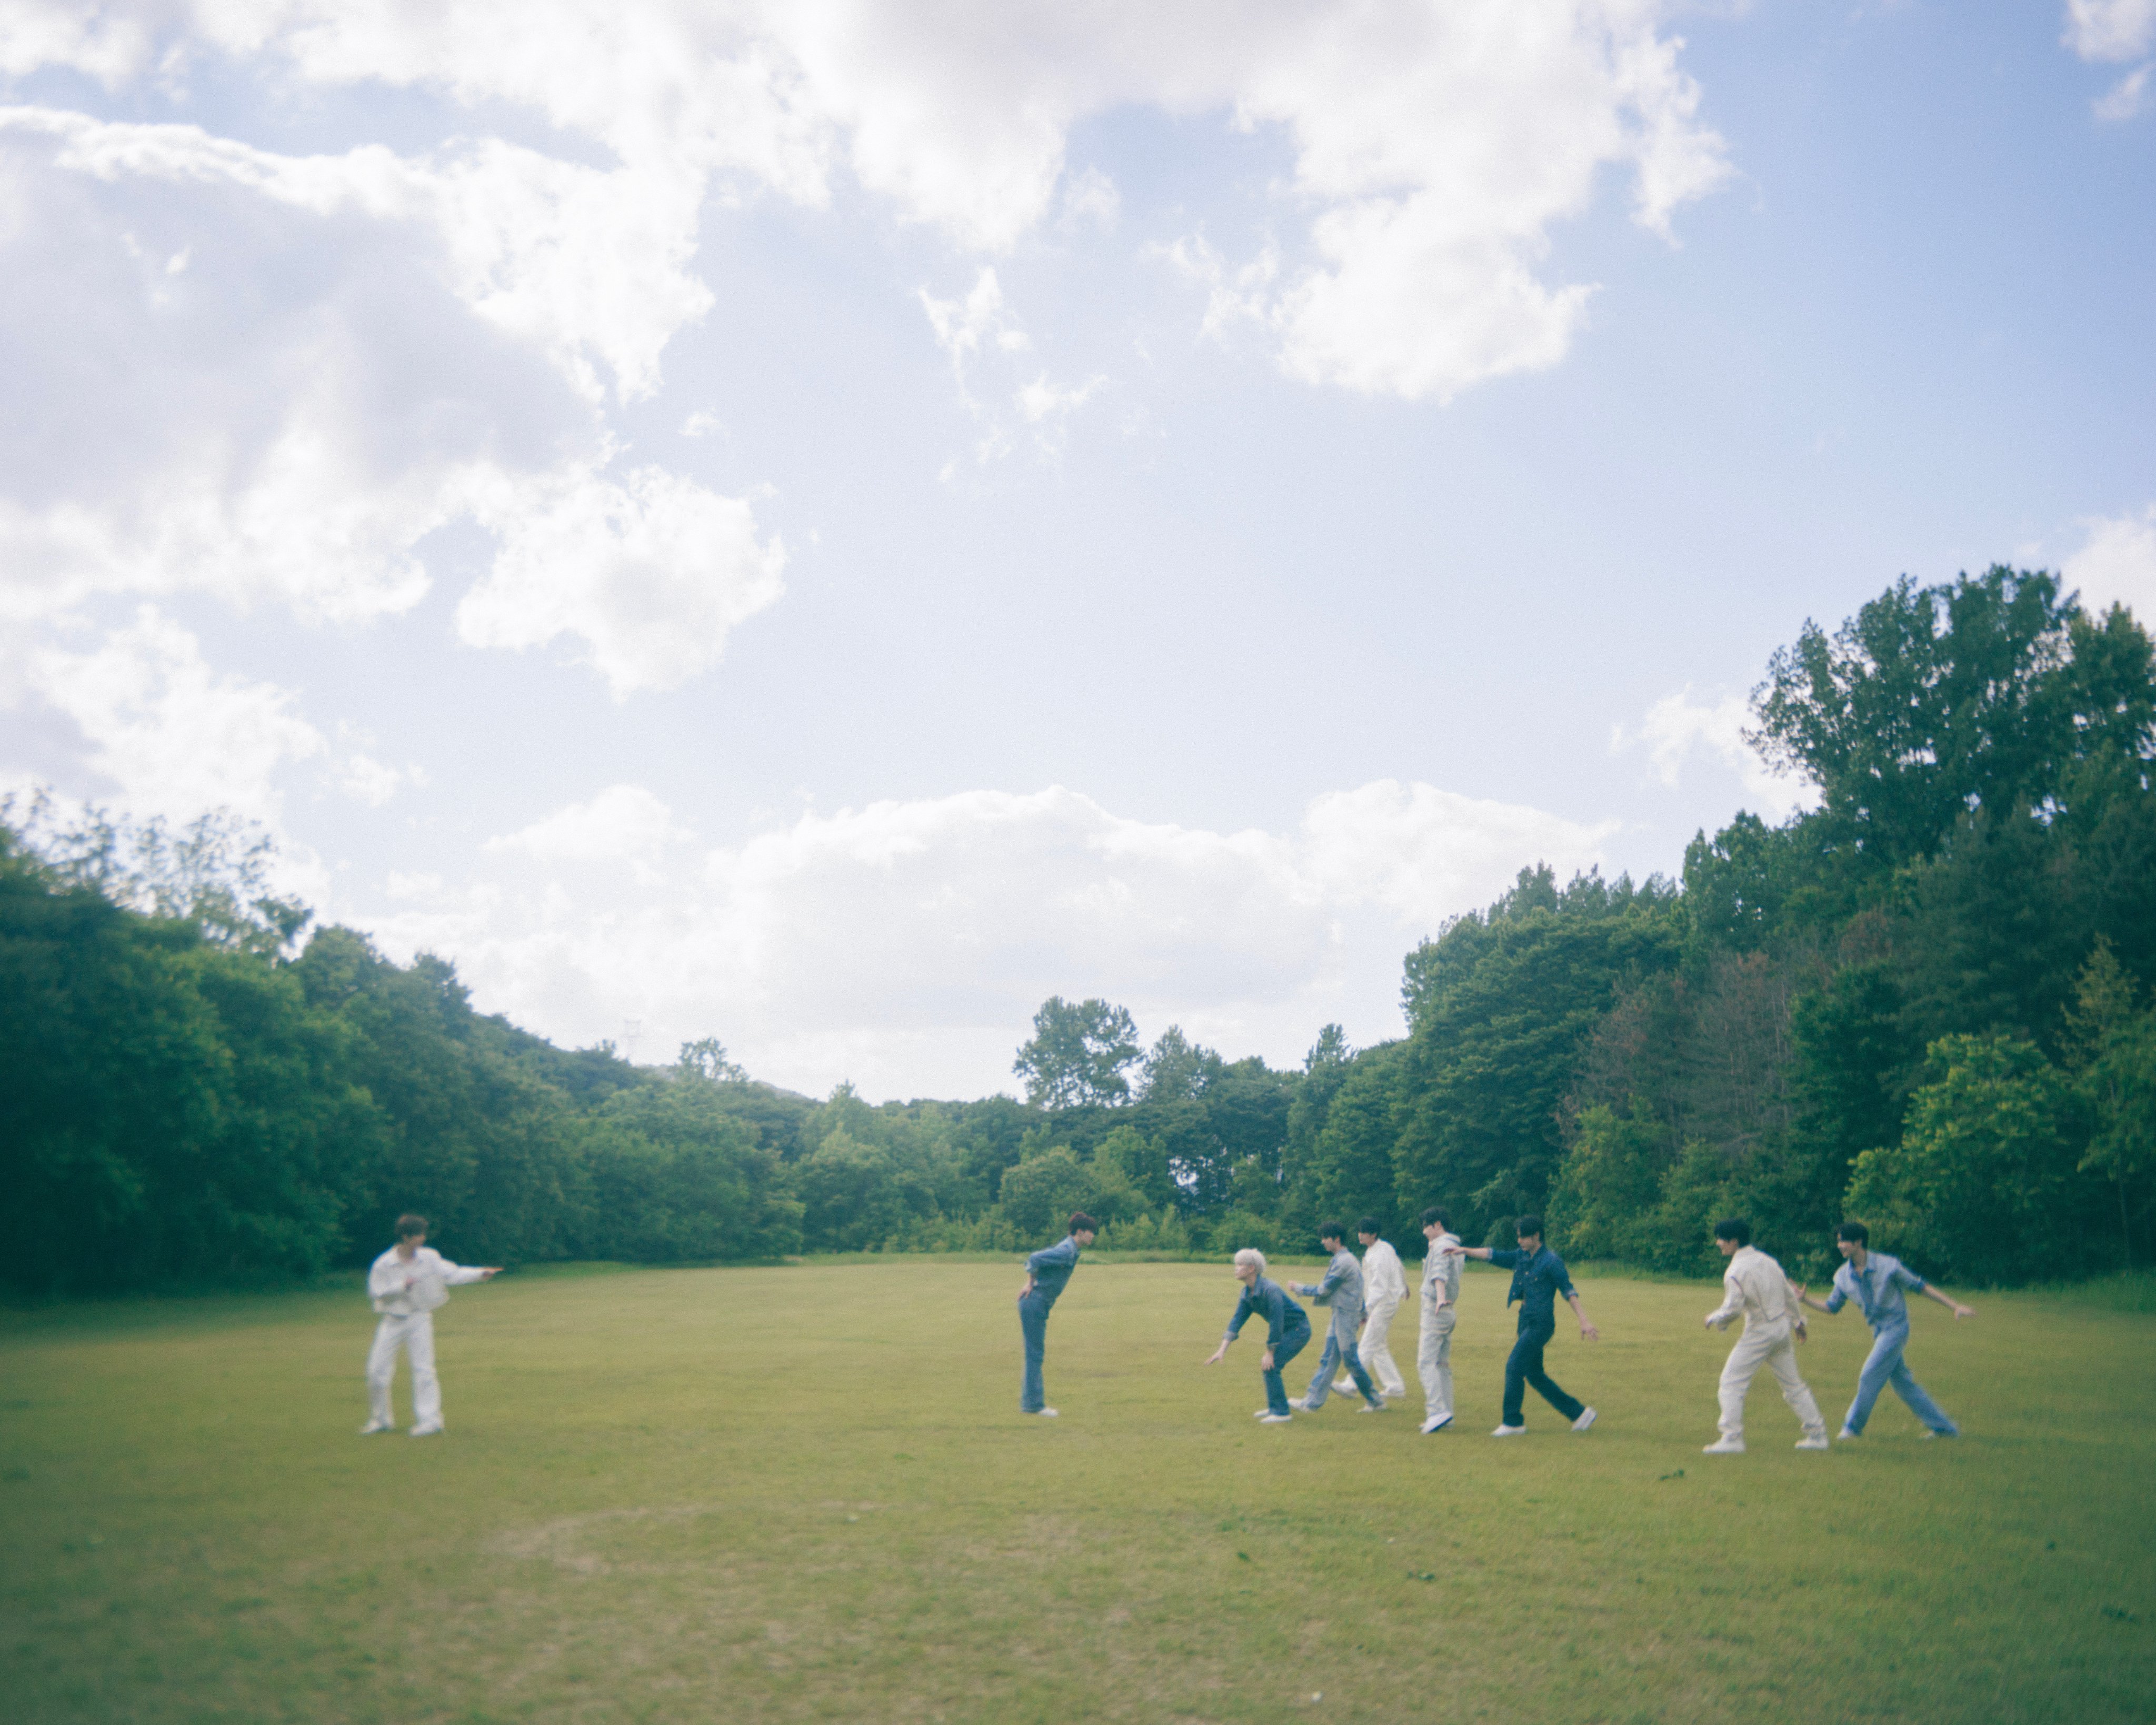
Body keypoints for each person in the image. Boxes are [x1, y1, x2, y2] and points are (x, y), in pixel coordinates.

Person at [1795, 1221, 1973, 1440]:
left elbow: (1920, 1287)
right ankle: (1945, 1429)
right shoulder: (1842, 1276)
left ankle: (1852, 1428)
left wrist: (1954, 1306)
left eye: (1844, 1241)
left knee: (1869, 1374)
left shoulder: (1888, 1266)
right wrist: (1805, 1300)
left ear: (1859, 1242)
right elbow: (1832, 1307)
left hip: (1896, 1328)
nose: (1840, 1246)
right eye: (1838, 1241)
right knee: (1904, 1385)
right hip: (1878, 1332)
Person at [1448, 1215, 1598, 1437]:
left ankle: (1513, 1422)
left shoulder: (1551, 1261)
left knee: (1514, 1366)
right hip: (1525, 1320)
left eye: (1523, 1237)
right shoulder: (1521, 1256)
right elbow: (1493, 1255)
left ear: (1536, 1236)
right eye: (1518, 1237)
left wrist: (1584, 1320)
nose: (1519, 1241)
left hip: (1541, 1324)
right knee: (1534, 1375)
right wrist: (1464, 1251)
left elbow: (1569, 1291)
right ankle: (1580, 1414)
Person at [362, 1214, 501, 1437]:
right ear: (406, 1237)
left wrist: (479, 1274)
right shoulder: (384, 1264)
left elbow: (452, 1274)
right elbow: (376, 1293)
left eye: (423, 1234)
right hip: (393, 1321)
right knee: (377, 1371)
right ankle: (380, 1421)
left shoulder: (429, 1257)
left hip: (419, 1318)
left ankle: (430, 1421)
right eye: (418, 1235)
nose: (422, 1239)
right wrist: (401, 1286)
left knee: (424, 1370)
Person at [1701, 1218, 1829, 1454]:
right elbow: (1788, 1294)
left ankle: (1732, 1438)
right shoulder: (1768, 1261)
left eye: (1721, 1239)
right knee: (1794, 1385)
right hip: (1781, 1330)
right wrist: (1798, 1323)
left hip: (1760, 1332)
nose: (1718, 1243)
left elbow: (1733, 1309)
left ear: (1734, 1241)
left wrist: (1714, 1318)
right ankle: (1818, 1435)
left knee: (1731, 1383)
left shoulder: (1735, 1271)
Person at [1203, 1248, 1314, 1422]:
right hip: (1287, 1330)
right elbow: (1236, 1322)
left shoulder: (1271, 1290)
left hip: (1299, 1330)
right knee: (1269, 1366)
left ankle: (1281, 1413)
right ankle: (1275, 1407)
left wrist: (1270, 1352)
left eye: (1239, 1265)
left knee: (1271, 1365)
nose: (1235, 1268)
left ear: (1251, 1269)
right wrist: (1221, 1350)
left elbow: (1277, 1322)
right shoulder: (1247, 1294)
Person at [1287, 1223, 1386, 1413]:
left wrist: (1299, 1288)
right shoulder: (1346, 1259)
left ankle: (1376, 1401)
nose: (1323, 1242)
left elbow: (1325, 1290)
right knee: (1328, 1359)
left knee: (1350, 1360)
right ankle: (1311, 1403)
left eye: (1325, 1238)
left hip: (1346, 1316)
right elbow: (1357, 1287)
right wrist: (1362, 1312)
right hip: (1342, 1314)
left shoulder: (1344, 1262)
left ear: (1337, 1239)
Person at [1017, 1212, 1098, 1418]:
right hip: (1034, 1303)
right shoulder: (1066, 1251)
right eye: (1091, 1232)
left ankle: (1031, 1404)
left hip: (1039, 1305)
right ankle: (1034, 1406)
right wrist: (1030, 1283)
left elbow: (1039, 1262)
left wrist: (1032, 1282)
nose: (1093, 1236)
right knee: (1035, 1355)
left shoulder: (1071, 1250)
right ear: (1080, 1232)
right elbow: (1034, 1258)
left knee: (1035, 1354)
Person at [1330, 1217, 1409, 1402]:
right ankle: (1395, 1386)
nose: (1360, 1235)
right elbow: (1399, 1266)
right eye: (1359, 1232)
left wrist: (1364, 1310)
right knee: (1379, 1346)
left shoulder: (1380, 1254)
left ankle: (1351, 1385)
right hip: (1383, 1302)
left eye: (1364, 1233)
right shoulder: (1382, 1248)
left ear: (1374, 1234)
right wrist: (1404, 1286)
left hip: (1384, 1304)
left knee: (1367, 1344)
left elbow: (1379, 1287)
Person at [1415, 1207, 1462, 1434]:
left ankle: (1436, 1412)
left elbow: (1439, 1274)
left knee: (1425, 1363)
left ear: (1437, 1225)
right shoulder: (1454, 1245)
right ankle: (1446, 1414)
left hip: (1436, 1309)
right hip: (1448, 1311)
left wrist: (1440, 1299)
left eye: (1426, 1226)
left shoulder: (1442, 1246)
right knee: (1441, 1365)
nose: (1424, 1231)